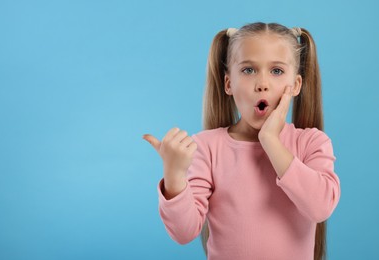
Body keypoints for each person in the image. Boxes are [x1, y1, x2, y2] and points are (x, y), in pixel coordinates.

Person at [143, 22, 341, 260]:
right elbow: (183, 232)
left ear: (296, 85)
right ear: (229, 84)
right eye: (249, 70)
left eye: (276, 71)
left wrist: (270, 140)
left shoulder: (311, 143)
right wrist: (174, 177)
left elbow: (320, 207)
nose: (262, 84)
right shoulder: (207, 148)